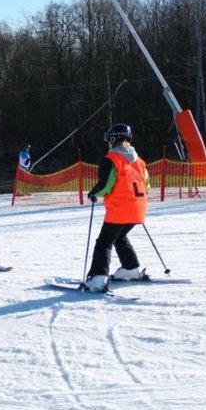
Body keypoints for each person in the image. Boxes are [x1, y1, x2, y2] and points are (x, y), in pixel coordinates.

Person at [83, 123, 150, 292]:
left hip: (120, 209)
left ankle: (98, 278)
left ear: (113, 139)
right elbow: (147, 185)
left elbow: (107, 184)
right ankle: (131, 268)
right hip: (139, 208)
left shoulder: (111, 159)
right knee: (119, 237)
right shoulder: (140, 161)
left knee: (104, 241)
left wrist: (94, 193)